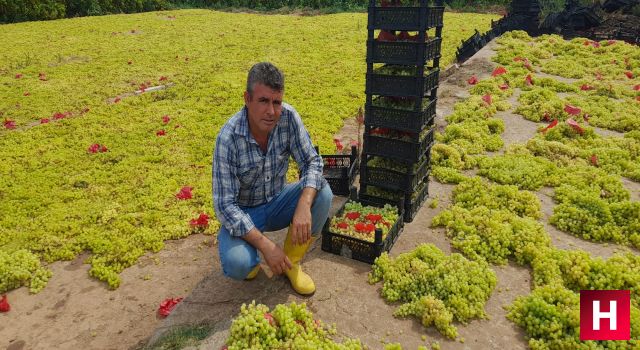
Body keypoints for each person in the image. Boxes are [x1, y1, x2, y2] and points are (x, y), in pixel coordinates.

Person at [212, 62, 333, 295]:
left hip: (278, 202)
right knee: (238, 263)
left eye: (276, 102)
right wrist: (266, 246)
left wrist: (304, 206)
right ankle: (252, 258)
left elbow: (312, 162)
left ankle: (291, 262)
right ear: (247, 99)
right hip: (245, 213)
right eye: (263, 101)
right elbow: (225, 206)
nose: (271, 111)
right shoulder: (228, 138)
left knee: (323, 193)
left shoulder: (288, 118)